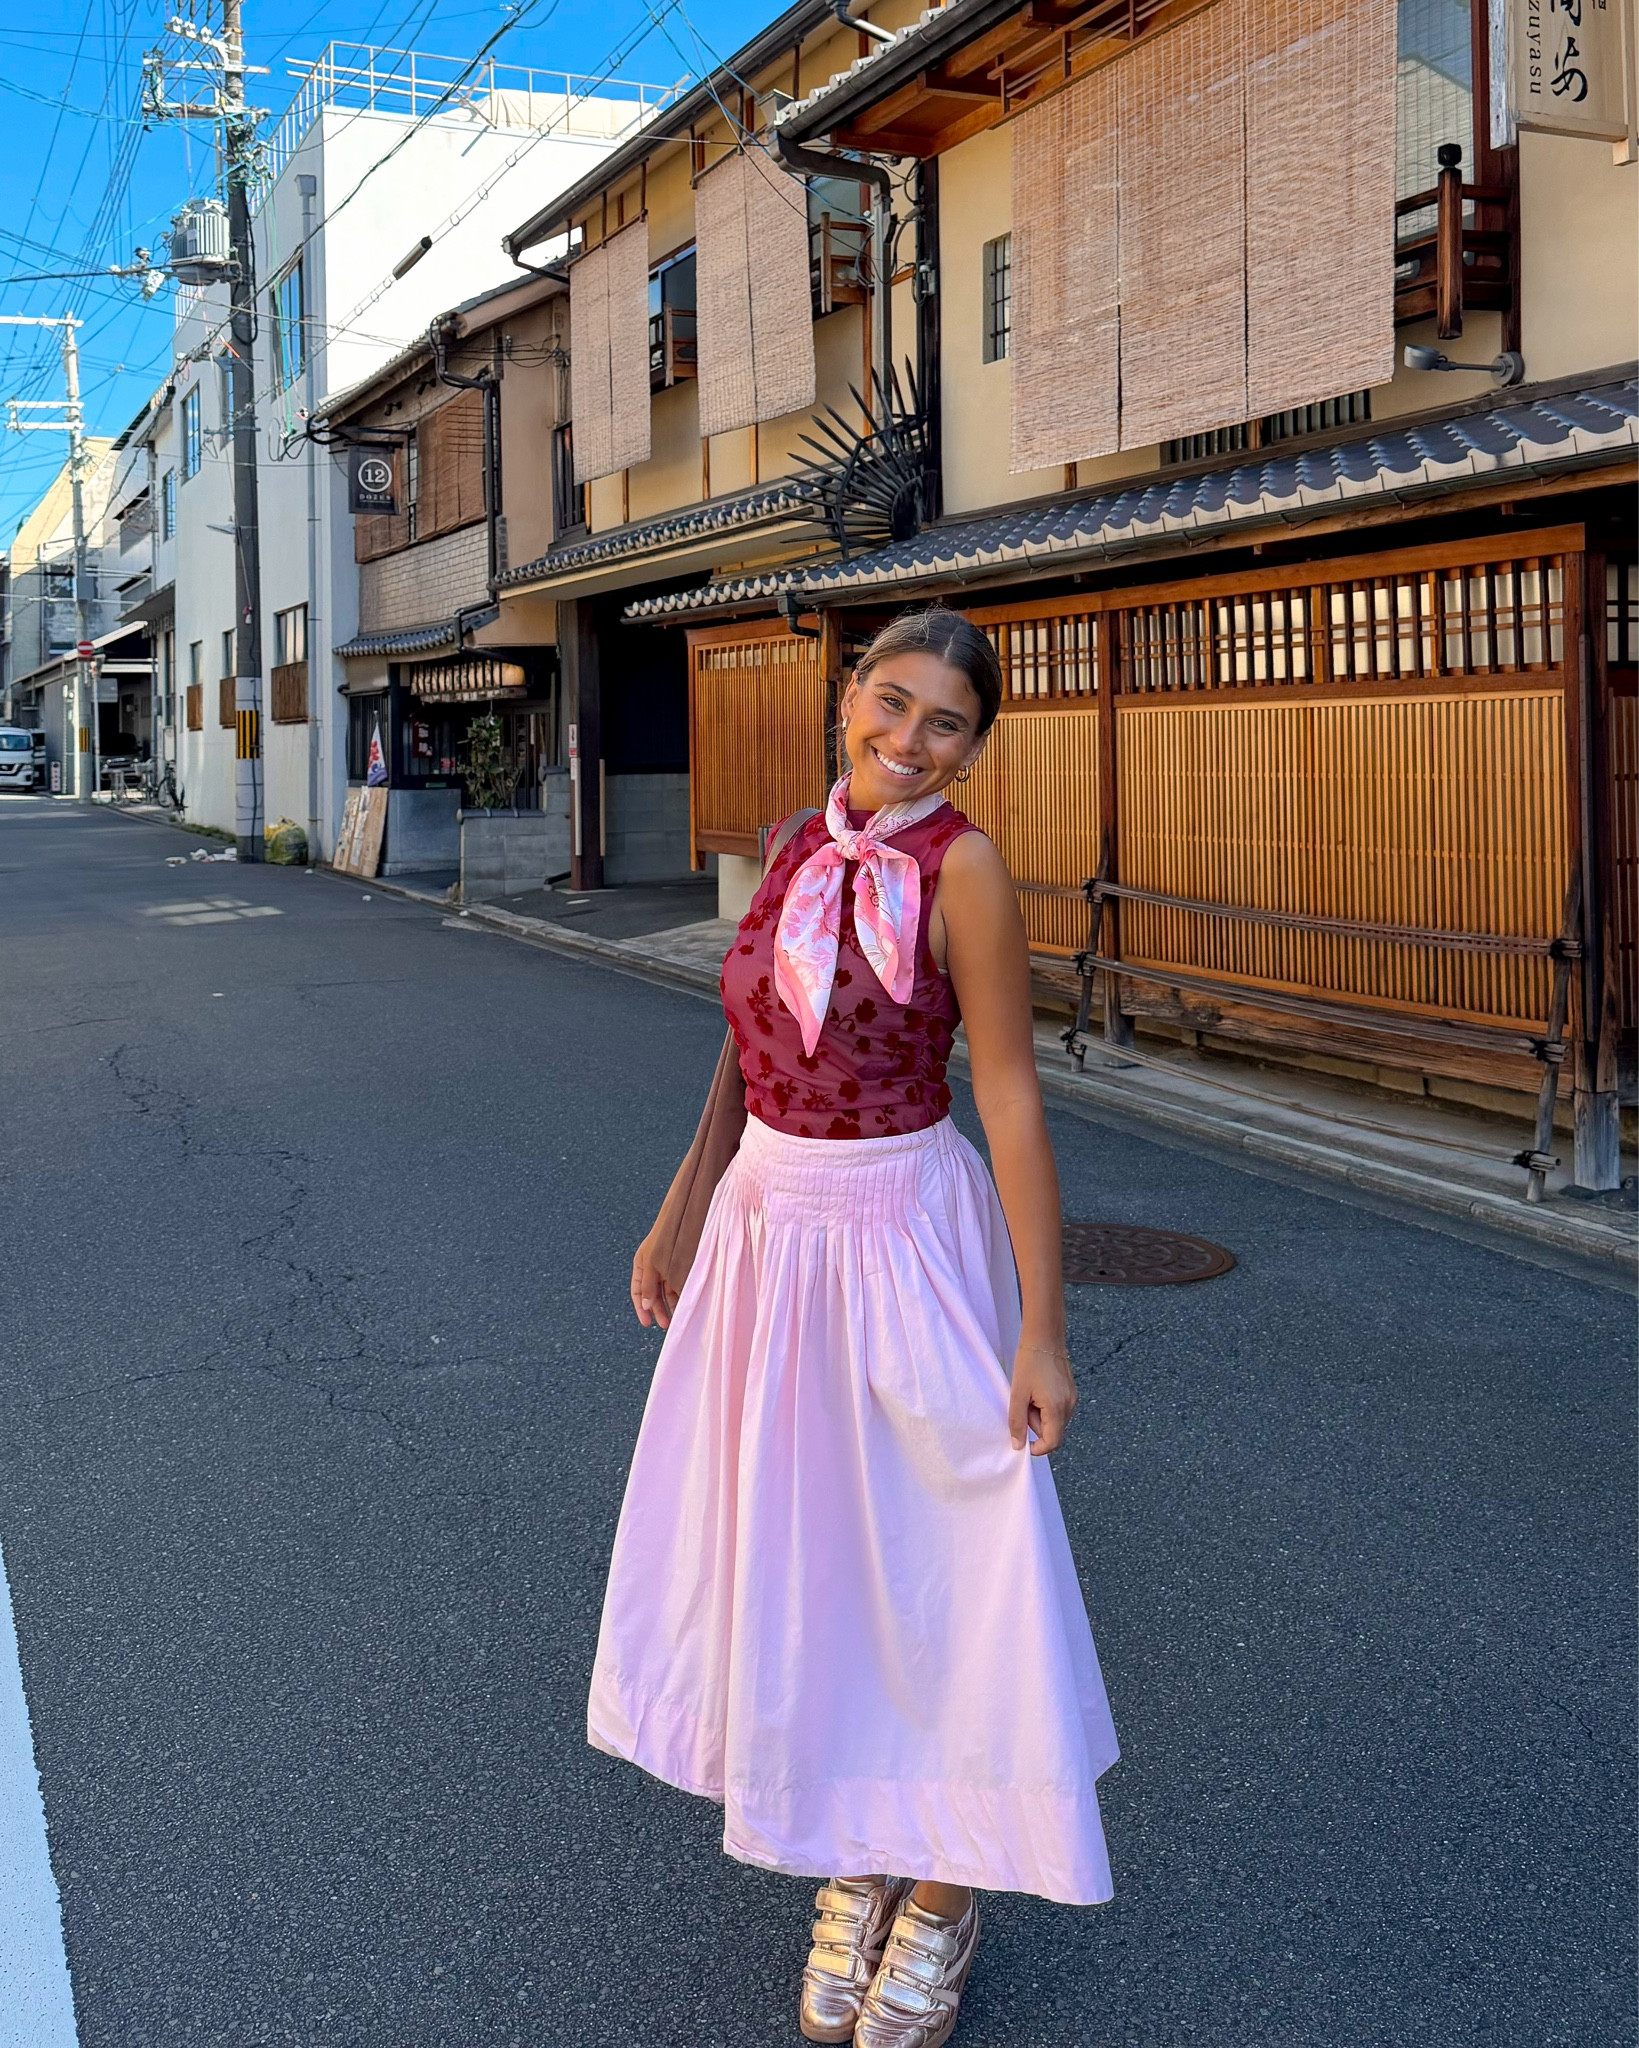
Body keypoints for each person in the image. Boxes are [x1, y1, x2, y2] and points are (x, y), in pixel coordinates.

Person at [590, 607, 1118, 2048]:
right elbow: (746, 1042)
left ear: (974, 742)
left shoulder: (970, 870)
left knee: (953, 1560)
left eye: (944, 721)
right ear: (847, 698)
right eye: (889, 703)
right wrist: (682, 1207)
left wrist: (1044, 1326)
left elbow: (1008, 1093)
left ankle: (946, 1891)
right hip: (770, 1225)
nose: (908, 739)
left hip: (903, 1233)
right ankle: (859, 1858)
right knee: (814, 1558)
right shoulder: (790, 840)